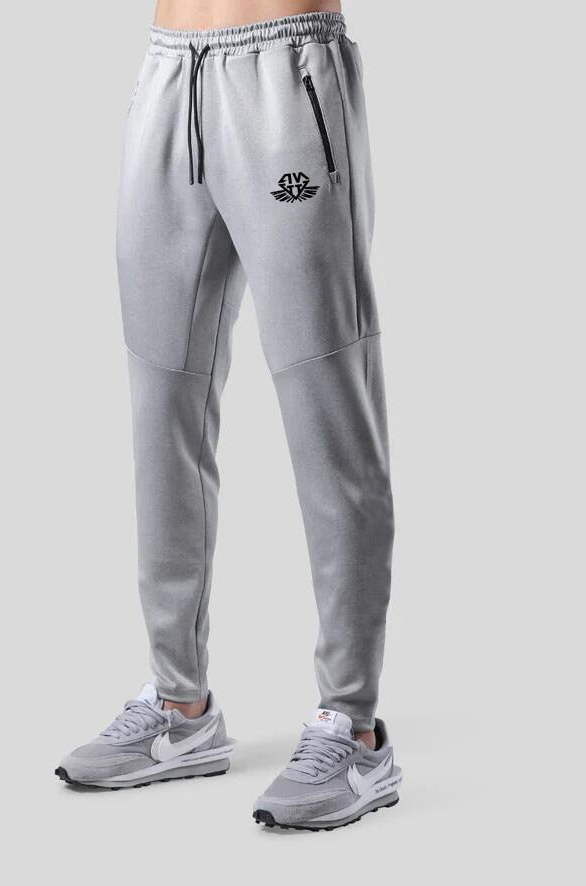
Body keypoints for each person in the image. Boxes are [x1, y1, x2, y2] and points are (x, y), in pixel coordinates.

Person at [56, 0, 402, 831]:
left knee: (325, 398)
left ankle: (353, 729)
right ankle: (181, 709)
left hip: (285, 72)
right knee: (162, 398)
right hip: (167, 71)